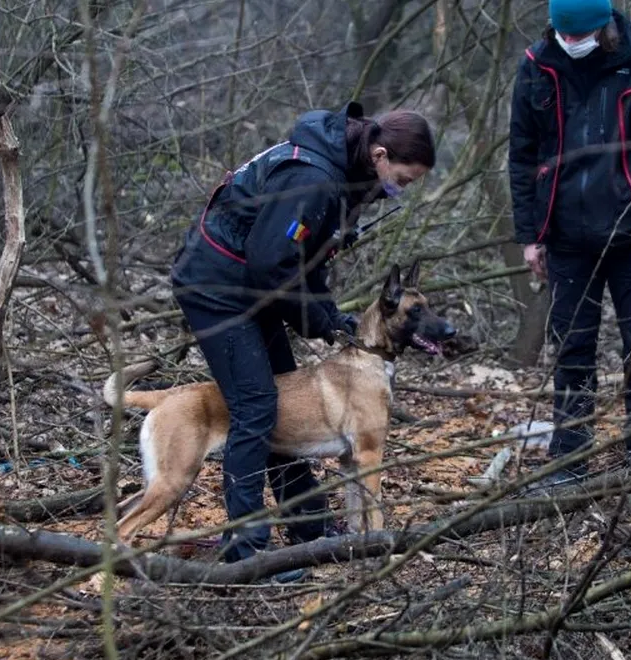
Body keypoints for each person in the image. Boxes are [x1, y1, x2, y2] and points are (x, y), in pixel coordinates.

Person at [170, 101, 436, 573]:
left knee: (283, 400)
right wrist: (318, 320)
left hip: (249, 286)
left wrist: (330, 316)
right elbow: (272, 264)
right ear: (379, 155)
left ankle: (309, 527)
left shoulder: (343, 173)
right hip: (216, 287)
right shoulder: (314, 180)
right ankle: (246, 552)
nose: (402, 189)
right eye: (404, 178)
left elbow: (304, 261)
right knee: (256, 406)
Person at [508, 0, 631, 490]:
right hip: (566, 234)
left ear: (605, 26)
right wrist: (530, 236)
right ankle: (569, 463)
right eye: (564, 35)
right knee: (572, 349)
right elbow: (522, 155)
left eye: (581, 35)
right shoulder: (537, 65)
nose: (572, 43)